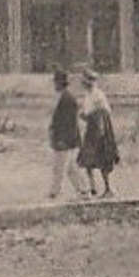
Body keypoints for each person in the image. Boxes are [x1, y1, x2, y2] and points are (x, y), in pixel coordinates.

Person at [77, 67, 120, 197]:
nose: (86, 85)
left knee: (103, 160)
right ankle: (93, 187)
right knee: (87, 160)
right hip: (91, 129)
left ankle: (108, 188)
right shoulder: (87, 95)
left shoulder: (98, 95)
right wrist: (83, 115)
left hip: (100, 129)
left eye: (88, 82)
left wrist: (100, 132)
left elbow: (103, 114)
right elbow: (86, 113)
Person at [47, 70, 82, 199]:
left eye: (56, 83)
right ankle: (83, 191)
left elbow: (69, 123)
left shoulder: (67, 99)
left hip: (65, 139)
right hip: (64, 138)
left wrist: (62, 139)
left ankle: (54, 192)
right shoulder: (64, 97)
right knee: (70, 168)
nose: (54, 85)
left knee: (59, 167)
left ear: (60, 84)